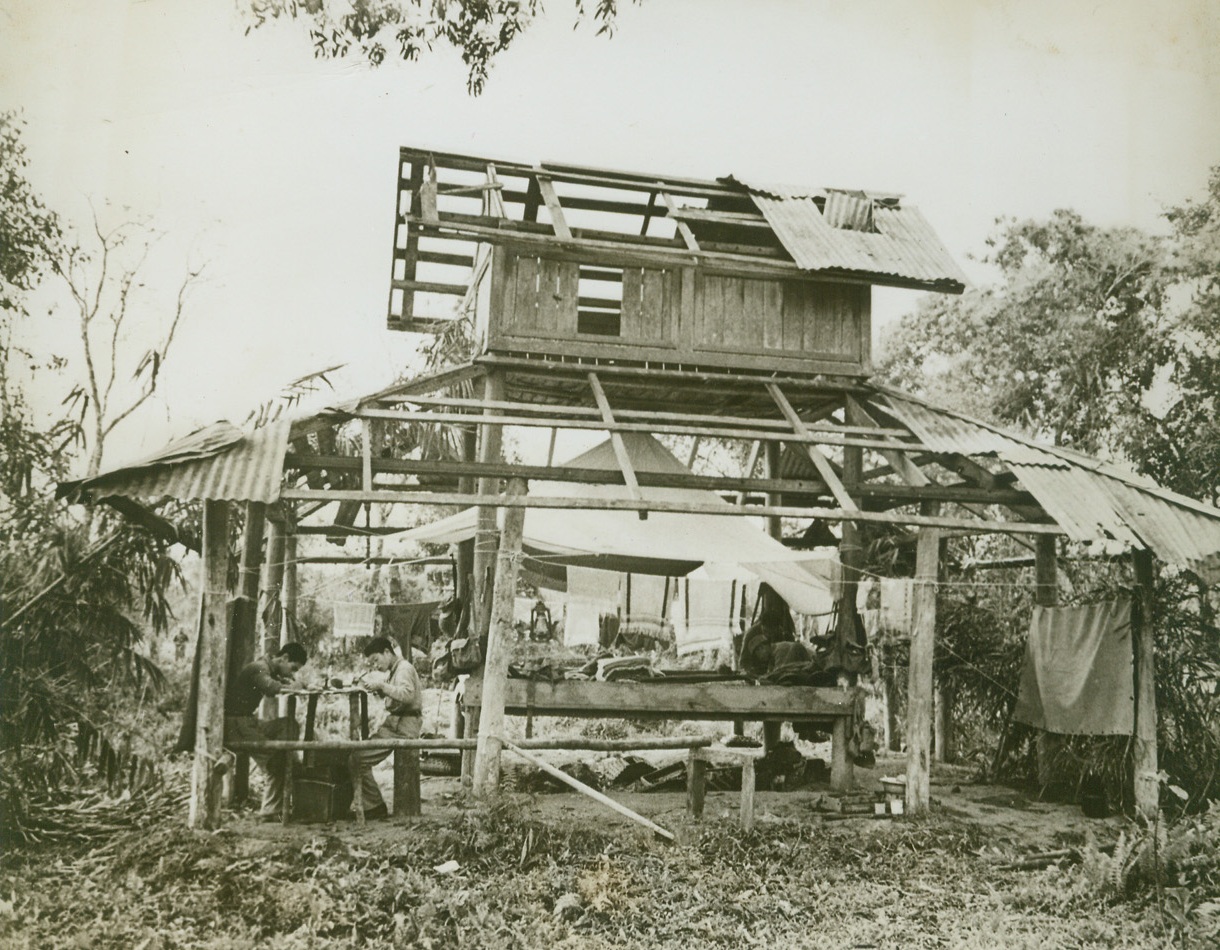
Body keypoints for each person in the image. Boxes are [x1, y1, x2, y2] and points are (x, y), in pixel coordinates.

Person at [224, 642, 309, 821]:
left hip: (248, 721)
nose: (292, 673)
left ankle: (288, 759)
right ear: (284, 658)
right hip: (236, 725)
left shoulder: (268, 669)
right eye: (292, 668)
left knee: (289, 725)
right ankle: (270, 810)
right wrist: (293, 686)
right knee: (277, 760)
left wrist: (290, 682)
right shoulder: (259, 667)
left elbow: (275, 682)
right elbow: (270, 687)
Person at [353, 636, 423, 819]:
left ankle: (374, 806)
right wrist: (380, 689)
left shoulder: (404, 669)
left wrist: (382, 686)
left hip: (403, 728)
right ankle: (372, 804)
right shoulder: (396, 670)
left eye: (376, 659)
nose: (375, 665)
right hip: (396, 725)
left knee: (357, 757)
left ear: (387, 652)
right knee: (356, 755)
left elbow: (407, 695)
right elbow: (395, 698)